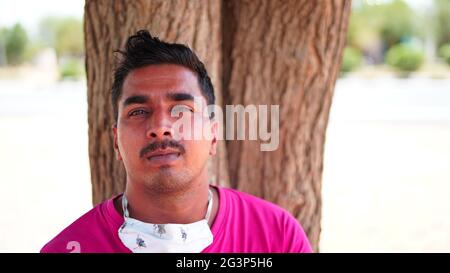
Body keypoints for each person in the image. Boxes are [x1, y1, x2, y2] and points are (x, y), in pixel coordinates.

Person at [40, 30, 312, 253]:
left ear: (214, 135)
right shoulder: (68, 249)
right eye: (138, 112)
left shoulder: (277, 237)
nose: (160, 128)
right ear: (116, 142)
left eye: (182, 110)